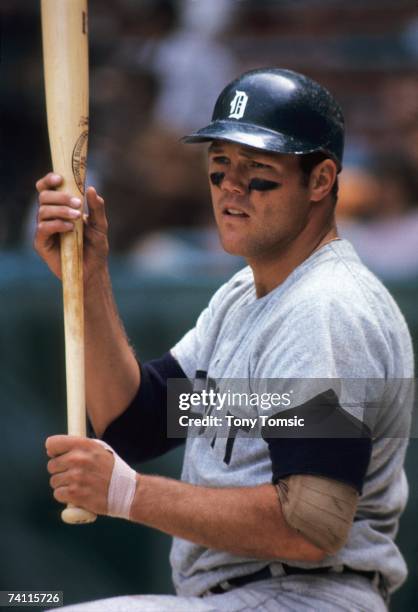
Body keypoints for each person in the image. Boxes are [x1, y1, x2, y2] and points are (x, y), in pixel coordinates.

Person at [34, 68, 414, 611]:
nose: (232, 187)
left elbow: (311, 524)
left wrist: (127, 492)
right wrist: (88, 278)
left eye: (258, 170)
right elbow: (137, 420)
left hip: (303, 596)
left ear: (322, 180)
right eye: (219, 168)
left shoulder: (325, 307)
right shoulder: (245, 295)